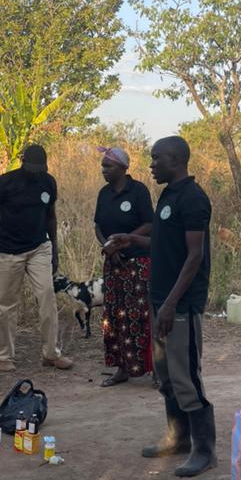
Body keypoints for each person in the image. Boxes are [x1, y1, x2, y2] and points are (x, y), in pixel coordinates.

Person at [104, 136, 215, 477]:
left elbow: (194, 256)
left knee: (186, 378)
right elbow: (166, 244)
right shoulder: (168, 195)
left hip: (179, 303)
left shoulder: (194, 199)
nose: (151, 165)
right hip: (161, 299)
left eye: (156, 159)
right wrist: (134, 240)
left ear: (177, 160)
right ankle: (177, 437)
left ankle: (204, 450)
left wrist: (169, 305)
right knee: (165, 376)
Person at [0, 144, 73, 373]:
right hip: (9, 250)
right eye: (32, 167)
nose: (36, 172)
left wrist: (55, 250)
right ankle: (4, 355)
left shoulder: (48, 182)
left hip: (39, 247)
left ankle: (51, 354)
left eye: (40, 168)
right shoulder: (6, 182)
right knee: (7, 305)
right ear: (23, 163)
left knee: (47, 297)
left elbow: (51, 217)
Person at [93, 146, 154, 387]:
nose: (103, 170)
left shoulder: (138, 191)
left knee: (140, 316)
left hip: (137, 262)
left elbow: (149, 224)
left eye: (108, 166)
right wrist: (109, 246)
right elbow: (97, 225)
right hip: (113, 263)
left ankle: (153, 368)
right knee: (114, 316)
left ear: (122, 168)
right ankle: (121, 368)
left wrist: (123, 243)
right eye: (103, 166)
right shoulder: (103, 194)